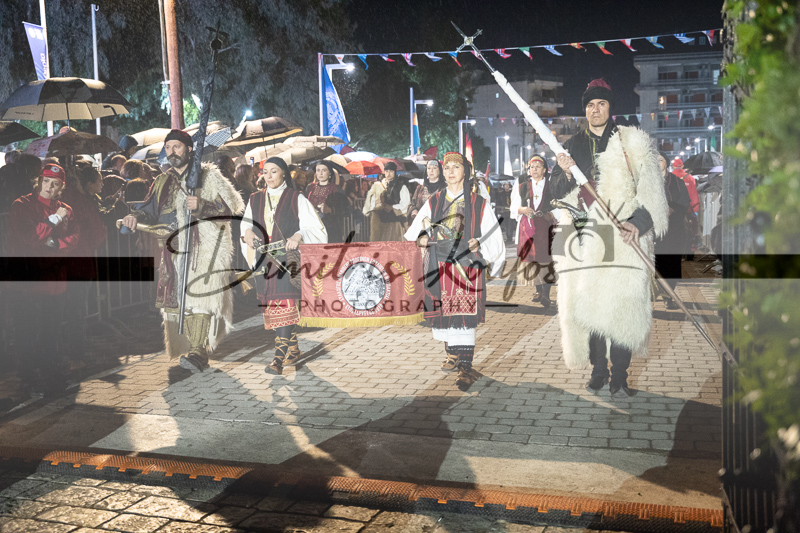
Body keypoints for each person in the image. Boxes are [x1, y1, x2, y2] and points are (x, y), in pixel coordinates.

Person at [550, 79, 668, 397]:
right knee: (591, 305)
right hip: (587, 236)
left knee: (622, 306)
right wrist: (564, 172)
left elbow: (653, 191)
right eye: (590, 105)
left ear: (610, 107)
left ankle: (620, 375)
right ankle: (599, 370)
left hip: (624, 236)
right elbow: (554, 194)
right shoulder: (572, 145)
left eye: (601, 103)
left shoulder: (632, 142)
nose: (595, 110)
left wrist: (637, 224)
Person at [120, 129, 245, 373]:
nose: (172, 152)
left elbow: (231, 207)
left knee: (200, 298)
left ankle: (198, 351)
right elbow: (148, 210)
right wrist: (134, 217)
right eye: (168, 147)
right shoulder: (162, 180)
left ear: (189, 149)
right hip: (173, 250)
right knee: (181, 302)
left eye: (177, 146)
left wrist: (202, 205)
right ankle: (193, 347)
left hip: (203, 248)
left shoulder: (208, 175)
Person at [405, 152, 506, 390]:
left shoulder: (478, 202)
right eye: (447, 167)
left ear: (465, 172)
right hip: (438, 264)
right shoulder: (435, 200)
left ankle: (466, 368)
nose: (450, 171)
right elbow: (418, 228)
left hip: (466, 265)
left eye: (456, 167)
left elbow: (492, 233)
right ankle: (452, 354)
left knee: (464, 317)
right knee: (445, 314)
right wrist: (422, 236)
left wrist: (479, 243)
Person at [240, 157, 327, 375]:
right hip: (263, 261)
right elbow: (246, 225)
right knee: (274, 309)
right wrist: (247, 233)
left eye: (274, 171)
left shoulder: (296, 198)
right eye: (265, 172)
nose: (269, 176)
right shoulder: (255, 199)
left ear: (283, 173)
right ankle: (294, 350)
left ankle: (277, 360)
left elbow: (314, 228)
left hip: (287, 262)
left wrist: (298, 235)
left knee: (285, 305)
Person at [4, 164, 78, 395]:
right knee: (27, 331)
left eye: (55, 184)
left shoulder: (66, 209)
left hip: (55, 281)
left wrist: (56, 244)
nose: (49, 187)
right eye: (46, 181)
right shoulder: (22, 205)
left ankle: (50, 373)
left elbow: (75, 237)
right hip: (30, 283)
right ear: (38, 182)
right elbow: (29, 237)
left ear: (61, 187)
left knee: (51, 331)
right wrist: (54, 220)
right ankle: (28, 376)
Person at [510, 155, 557, 307]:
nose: (534, 169)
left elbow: (560, 203)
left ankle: (546, 294)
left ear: (544, 170)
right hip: (528, 227)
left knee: (547, 259)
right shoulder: (522, 185)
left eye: (538, 167)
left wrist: (553, 214)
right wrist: (522, 209)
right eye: (532, 167)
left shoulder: (551, 184)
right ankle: (538, 290)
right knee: (533, 260)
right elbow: (514, 206)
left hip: (546, 226)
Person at [654, 151, 691, 309]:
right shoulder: (648, 182)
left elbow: (685, 200)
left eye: (660, 160)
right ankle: (656, 292)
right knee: (657, 263)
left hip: (674, 228)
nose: (657, 163)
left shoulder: (676, 182)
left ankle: (669, 296)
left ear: (666, 163)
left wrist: (672, 209)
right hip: (655, 230)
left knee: (672, 262)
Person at [362, 162, 410, 242]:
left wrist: (392, 207)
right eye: (387, 171)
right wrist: (377, 204)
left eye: (391, 171)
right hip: (382, 224)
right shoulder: (378, 186)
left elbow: (405, 204)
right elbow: (370, 204)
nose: (388, 173)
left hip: (396, 224)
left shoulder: (401, 186)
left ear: (394, 172)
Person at [305, 161, 351, 243]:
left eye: (324, 170)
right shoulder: (310, 188)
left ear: (329, 173)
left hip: (330, 229)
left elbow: (347, 210)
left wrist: (330, 210)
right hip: (312, 228)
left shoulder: (336, 189)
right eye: (318, 170)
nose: (320, 173)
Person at [670, 157, 700, 258]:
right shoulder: (690, 178)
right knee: (691, 230)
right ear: (682, 166)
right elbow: (694, 195)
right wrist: (695, 210)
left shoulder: (670, 177)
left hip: (674, 210)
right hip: (688, 209)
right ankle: (689, 250)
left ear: (673, 166)